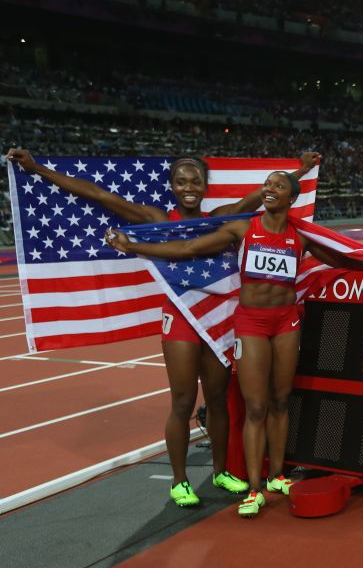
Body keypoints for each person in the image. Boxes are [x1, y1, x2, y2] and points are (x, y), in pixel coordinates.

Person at [5, 149, 319, 508]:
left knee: (217, 400)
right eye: (182, 181)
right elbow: (98, 195)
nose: (189, 187)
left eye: (196, 181)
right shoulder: (157, 217)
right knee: (183, 400)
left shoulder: (220, 218)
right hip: (182, 317)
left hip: (217, 319)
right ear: (171, 186)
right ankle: (180, 480)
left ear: (205, 187)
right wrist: (37, 169)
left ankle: (220, 470)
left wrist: (303, 167)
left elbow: (260, 197)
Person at [106, 171, 363, 517]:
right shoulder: (243, 228)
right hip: (251, 322)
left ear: (291, 199)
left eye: (278, 186)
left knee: (281, 401)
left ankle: (277, 475)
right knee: (255, 407)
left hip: (286, 322)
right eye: (266, 184)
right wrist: (133, 246)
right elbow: (188, 248)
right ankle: (254, 489)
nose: (268, 190)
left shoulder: (301, 235)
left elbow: (339, 258)